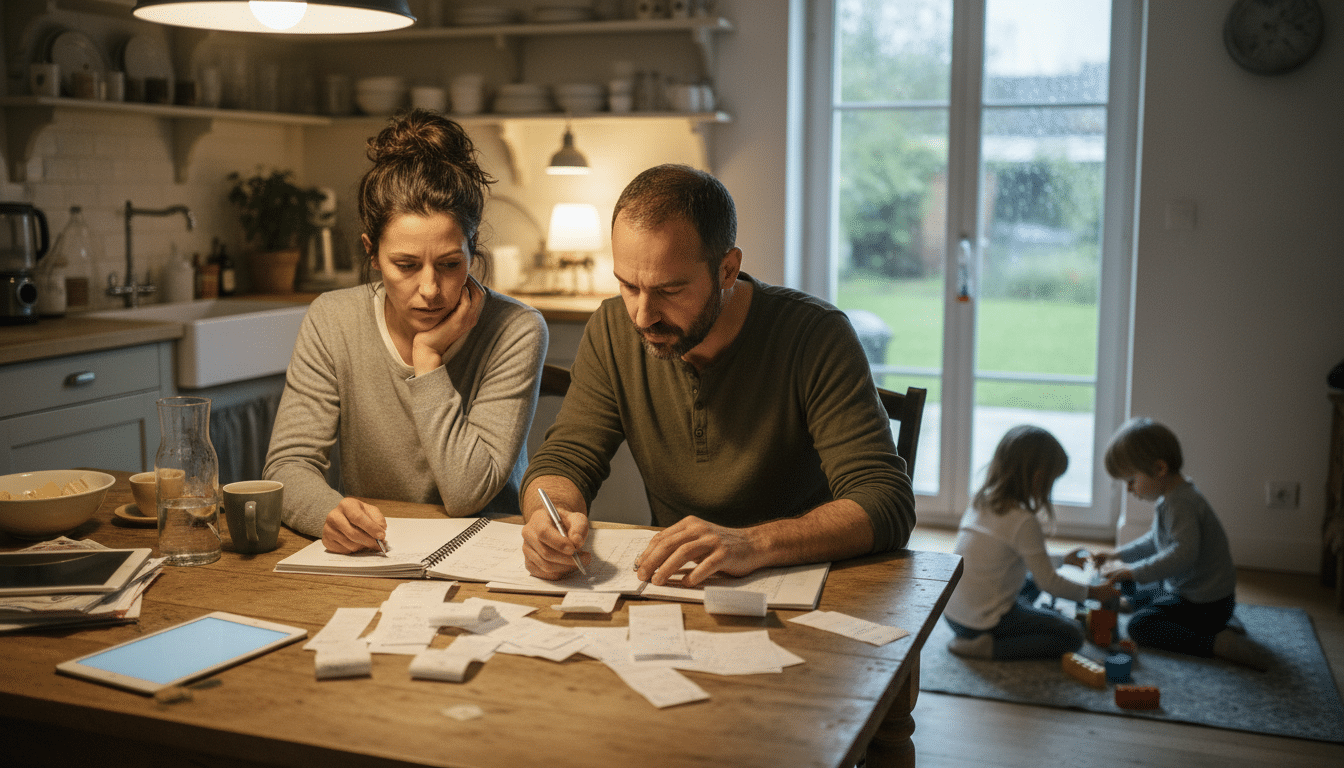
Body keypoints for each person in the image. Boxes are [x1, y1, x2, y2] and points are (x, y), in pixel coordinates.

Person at [519, 164, 914, 588]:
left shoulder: (815, 335)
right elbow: (566, 458)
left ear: (727, 269)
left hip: (803, 581)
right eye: (629, 286)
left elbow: (885, 500)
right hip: (677, 584)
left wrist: (754, 543)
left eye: (670, 290)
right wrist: (548, 515)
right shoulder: (612, 329)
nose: (643, 316)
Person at [265, 109, 547, 553]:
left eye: (450, 264)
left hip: (489, 554)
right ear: (372, 253)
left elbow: (467, 494)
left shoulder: (518, 329)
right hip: (377, 553)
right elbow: (287, 465)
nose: (430, 290)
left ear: (473, 250)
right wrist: (329, 515)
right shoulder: (333, 319)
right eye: (406, 265)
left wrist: (428, 359)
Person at [1093, 417, 1268, 669]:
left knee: (1140, 626)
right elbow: (1155, 541)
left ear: (1159, 469)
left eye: (1131, 480)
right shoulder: (1172, 497)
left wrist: (1133, 571)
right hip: (1195, 592)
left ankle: (1214, 641)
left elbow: (1183, 554)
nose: (1129, 489)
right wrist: (1117, 555)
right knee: (1145, 583)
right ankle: (1210, 620)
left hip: (1205, 604)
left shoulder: (1181, 504)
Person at [942, 426, 1120, 660]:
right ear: (1039, 478)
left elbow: (1023, 559)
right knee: (1072, 634)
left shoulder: (981, 500)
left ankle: (1006, 627)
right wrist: (1093, 593)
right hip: (982, 624)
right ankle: (989, 648)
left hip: (952, 615)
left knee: (1029, 582)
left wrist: (1063, 560)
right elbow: (1049, 583)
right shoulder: (1023, 520)